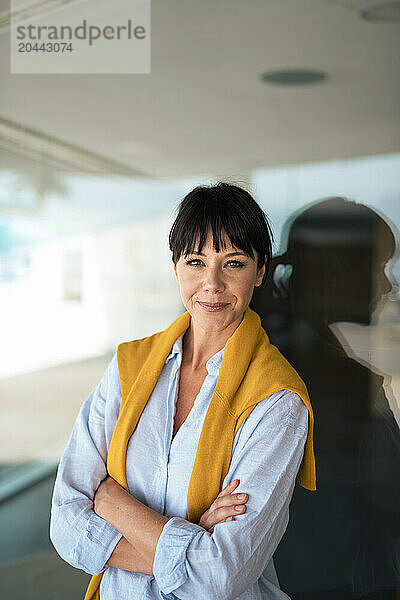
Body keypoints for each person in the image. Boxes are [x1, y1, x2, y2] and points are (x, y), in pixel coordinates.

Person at [50, 182, 316, 600]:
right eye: (196, 261)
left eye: (233, 263)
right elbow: (65, 522)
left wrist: (110, 501)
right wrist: (192, 541)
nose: (211, 283)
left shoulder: (279, 402)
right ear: (175, 267)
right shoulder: (128, 367)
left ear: (260, 271)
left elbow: (219, 576)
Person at [251, 198, 400, 599]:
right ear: (337, 273)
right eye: (379, 268)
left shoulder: (267, 355)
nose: (388, 286)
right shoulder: (336, 386)